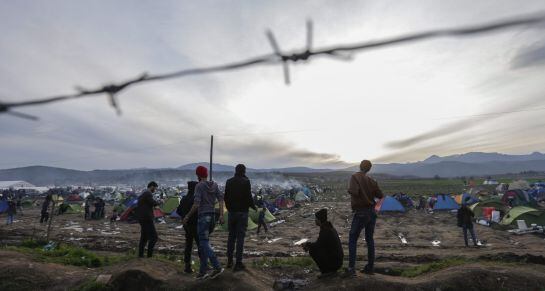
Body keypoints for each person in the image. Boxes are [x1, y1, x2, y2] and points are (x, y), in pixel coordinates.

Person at [182, 166, 224, 280]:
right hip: (213, 217)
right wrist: (221, 215)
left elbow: (196, 204)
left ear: (198, 175)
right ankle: (202, 272)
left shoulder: (199, 186)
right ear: (206, 174)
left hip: (203, 217)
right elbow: (221, 199)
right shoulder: (214, 184)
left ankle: (217, 266)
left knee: (204, 243)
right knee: (202, 244)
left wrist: (187, 216)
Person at [345, 160, 384, 277]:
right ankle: (370, 268)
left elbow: (354, 192)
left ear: (360, 166)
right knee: (369, 239)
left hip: (361, 212)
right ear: (369, 169)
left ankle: (351, 269)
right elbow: (380, 195)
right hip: (372, 213)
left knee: (352, 238)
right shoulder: (372, 180)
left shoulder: (355, 177)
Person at [224, 164, 257, 271]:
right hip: (242, 213)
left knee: (231, 237)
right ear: (244, 171)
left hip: (232, 213)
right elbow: (248, 197)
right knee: (240, 238)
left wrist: (229, 209)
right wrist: (253, 206)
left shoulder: (229, 181)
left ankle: (229, 261)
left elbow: (226, 197)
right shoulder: (246, 182)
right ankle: (238, 262)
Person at [302, 209, 344, 278]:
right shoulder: (328, 227)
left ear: (319, 220)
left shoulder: (325, 230)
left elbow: (318, 245)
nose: (315, 220)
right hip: (337, 260)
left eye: (316, 219)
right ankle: (328, 270)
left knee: (313, 251)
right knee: (313, 248)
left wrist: (307, 245)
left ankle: (327, 271)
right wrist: (308, 244)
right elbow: (320, 244)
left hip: (335, 262)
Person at [178, 181, 200, 274]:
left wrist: (184, 217)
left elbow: (178, 211)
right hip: (195, 225)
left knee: (188, 245)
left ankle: (187, 267)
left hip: (186, 225)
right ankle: (203, 267)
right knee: (200, 245)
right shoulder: (195, 199)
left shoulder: (183, 198)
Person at [135, 181, 159, 258]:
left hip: (142, 218)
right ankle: (149, 256)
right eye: (155, 188)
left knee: (144, 237)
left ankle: (140, 255)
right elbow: (153, 202)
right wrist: (160, 202)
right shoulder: (148, 193)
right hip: (147, 218)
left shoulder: (143, 193)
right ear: (152, 186)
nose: (155, 190)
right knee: (154, 237)